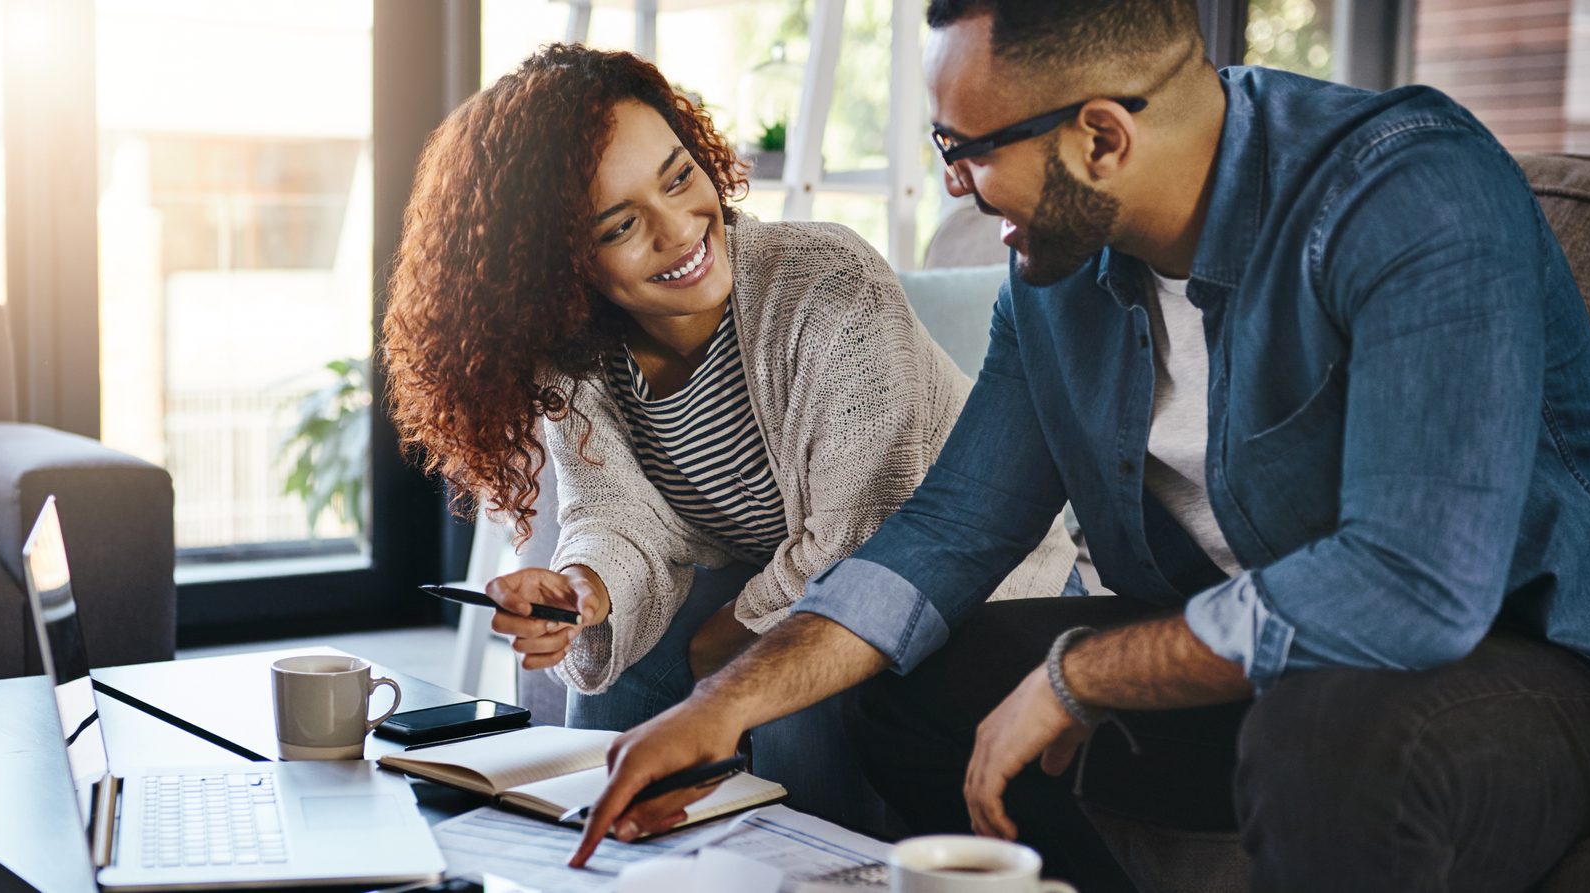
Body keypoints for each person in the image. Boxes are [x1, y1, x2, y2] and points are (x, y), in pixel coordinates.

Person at [570, 1, 1590, 890]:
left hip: (1549, 666)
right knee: (903, 685)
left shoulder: (1408, 194)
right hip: (1262, 655)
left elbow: (1412, 586)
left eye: (962, 147)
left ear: (1101, 135)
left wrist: (1080, 676)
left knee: (1327, 732)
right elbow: (948, 533)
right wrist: (720, 700)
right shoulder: (1055, 275)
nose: (954, 182)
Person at [379, 43, 1077, 830]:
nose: (678, 230)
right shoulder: (576, 356)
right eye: (620, 225)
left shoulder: (826, 285)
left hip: (963, 585)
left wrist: (727, 651)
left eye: (678, 177)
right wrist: (583, 588)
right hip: (790, 571)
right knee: (622, 658)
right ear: (558, 267)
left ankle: (815, 874)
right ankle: (603, 850)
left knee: (788, 689)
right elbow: (619, 518)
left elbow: (860, 544)